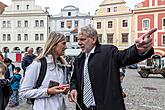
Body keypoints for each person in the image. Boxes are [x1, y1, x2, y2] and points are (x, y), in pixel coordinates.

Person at [69, 26, 157, 110]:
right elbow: (74, 79)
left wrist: (138, 49)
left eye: (82, 39)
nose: (79, 43)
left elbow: (125, 56)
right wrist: (73, 88)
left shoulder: (108, 52)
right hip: (83, 107)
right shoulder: (79, 59)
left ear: (93, 39)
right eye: (78, 39)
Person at [20, 31, 70, 110]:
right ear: (54, 44)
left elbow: (58, 90)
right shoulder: (37, 64)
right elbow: (23, 92)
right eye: (63, 43)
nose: (66, 47)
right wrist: (47, 91)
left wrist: (64, 90)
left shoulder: (61, 66)